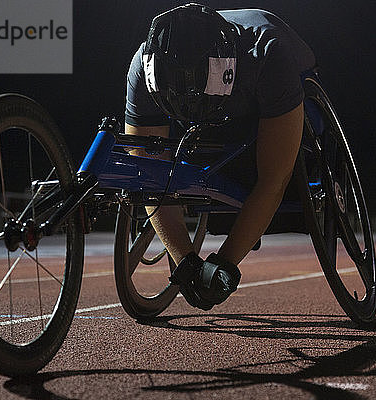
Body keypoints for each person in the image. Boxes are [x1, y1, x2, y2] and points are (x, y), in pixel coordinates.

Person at [125, 3, 316, 310]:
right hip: (221, 95)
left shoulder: (267, 54)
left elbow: (273, 180)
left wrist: (226, 263)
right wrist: (185, 262)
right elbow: (149, 176)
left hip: (270, 79)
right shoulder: (143, 65)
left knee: (273, 163)